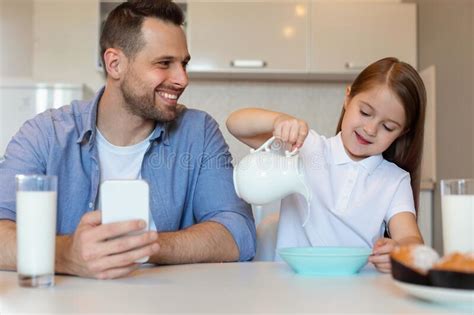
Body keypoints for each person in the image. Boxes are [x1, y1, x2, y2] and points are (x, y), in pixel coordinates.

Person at [0, 0, 256, 279]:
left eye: (183, 64)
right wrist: (64, 255)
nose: (182, 79)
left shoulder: (199, 132)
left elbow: (237, 232)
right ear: (115, 64)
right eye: (164, 63)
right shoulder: (44, 135)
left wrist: (143, 245)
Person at [226, 57, 426, 273]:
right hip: (291, 289)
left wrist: (400, 251)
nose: (370, 129)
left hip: (358, 292)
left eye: (387, 127)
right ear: (347, 98)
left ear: (402, 132)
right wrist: (279, 121)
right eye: (365, 113)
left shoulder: (394, 180)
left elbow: (410, 238)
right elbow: (235, 124)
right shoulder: (307, 148)